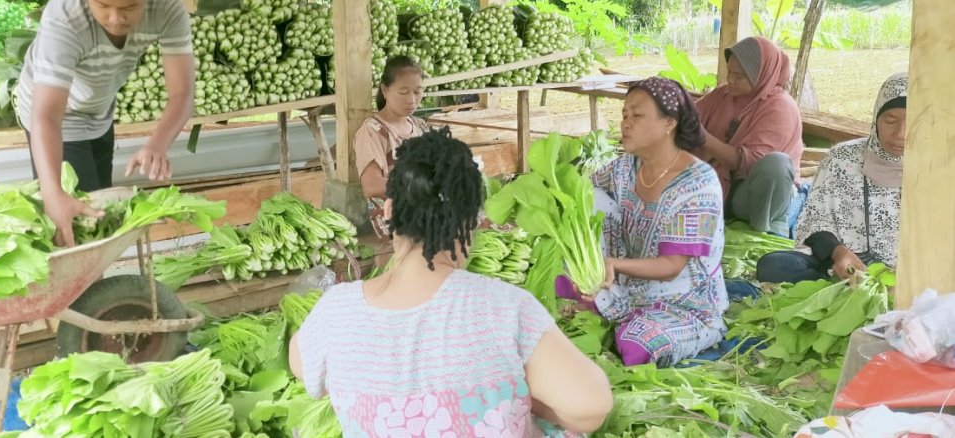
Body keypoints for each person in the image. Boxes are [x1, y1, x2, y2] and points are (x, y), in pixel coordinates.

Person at [290, 127, 614, 436]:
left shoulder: (337, 310)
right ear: (472, 220)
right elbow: (591, 407)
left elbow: (300, 364)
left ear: (388, 211)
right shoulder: (503, 307)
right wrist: (527, 401)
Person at [16, 0, 196, 247]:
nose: (115, 19)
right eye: (101, 5)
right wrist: (52, 193)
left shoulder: (168, 7)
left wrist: (156, 146)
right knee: (75, 223)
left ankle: (94, 282)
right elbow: (47, 116)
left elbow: (182, 93)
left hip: (100, 112)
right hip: (52, 116)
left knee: (98, 212)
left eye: (129, 7)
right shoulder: (64, 17)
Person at [559, 77, 728, 368]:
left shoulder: (698, 183)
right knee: (589, 199)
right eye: (624, 115)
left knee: (635, 347)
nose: (626, 123)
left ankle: (701, 331)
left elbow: (671, 267)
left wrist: (611, 264)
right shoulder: (624, 167)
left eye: (637, 115)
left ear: (669, 123)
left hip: (684, 301)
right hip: (627, 287)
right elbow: (574, 192)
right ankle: (608, 306)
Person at [757, 72, 908, 283]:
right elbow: (815, 221)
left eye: (911, 121)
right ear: (876, 119)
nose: (900, 133)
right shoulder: (842, 158)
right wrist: (838, 253)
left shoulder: (940, 170)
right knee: (773, 265)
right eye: (890, 120)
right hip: (843, 268)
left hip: (913, 277)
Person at [694, 36, 803, 236]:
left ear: (761, 75)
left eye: (739, 76)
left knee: (776, 164)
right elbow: (688, 116)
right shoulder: (722, 96)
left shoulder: (780, 106)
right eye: (729, 72)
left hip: (751, 194)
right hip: (716, 187)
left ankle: (762, 231)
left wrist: (703, 138)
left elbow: (748, 162)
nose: (730, 80)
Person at [354, 55, 431, 238]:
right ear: (385, 90)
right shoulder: (374, 131)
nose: (412, 100)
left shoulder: (420, 126)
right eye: (403, 92)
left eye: (417, 92)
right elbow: (371, 185)